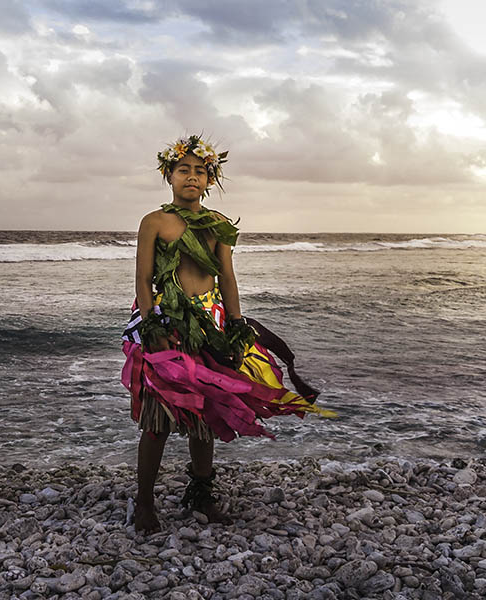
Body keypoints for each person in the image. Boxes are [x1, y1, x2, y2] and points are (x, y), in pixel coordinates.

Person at [121, 134, 335, 533]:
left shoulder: (218, 224)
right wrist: (151, 326)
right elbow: (143, 279)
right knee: (158, 417)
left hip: (211, 324)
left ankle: (201, 493)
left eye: (200, 171)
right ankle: (145, 501)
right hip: (167, 324)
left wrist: (236, 325)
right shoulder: (154, 222)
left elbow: (228, 277)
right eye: (183, 169)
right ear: (169, 175)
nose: (192, 177)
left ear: (210, 180)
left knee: (206, 410)